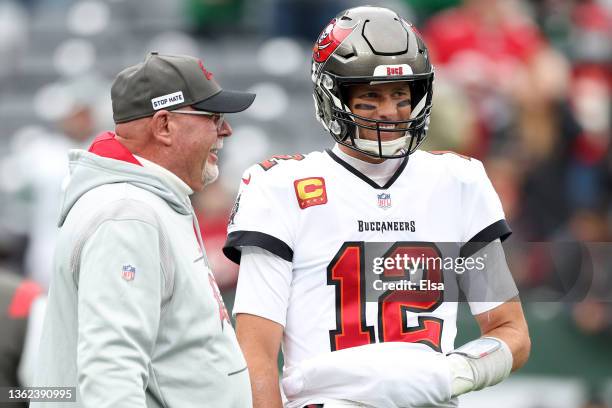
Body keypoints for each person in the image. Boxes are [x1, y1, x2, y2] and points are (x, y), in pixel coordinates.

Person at [224, 6, 530, 408]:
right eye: (370, 95)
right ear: (332, 94)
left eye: (400, 94)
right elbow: (256, 353)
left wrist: (454, 374)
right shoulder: (281, 187)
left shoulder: (458, 182)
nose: (389, 110)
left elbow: (511, 330)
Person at [32, 52, 255, 408]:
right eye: (213, 117)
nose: (225, 130)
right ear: (164, 125)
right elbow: (111, 373)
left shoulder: (144, 201)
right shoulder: (127, 215)